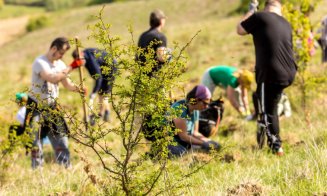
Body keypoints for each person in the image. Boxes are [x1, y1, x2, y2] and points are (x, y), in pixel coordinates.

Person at [237, 0, 297, 155]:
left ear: (266, 6)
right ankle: (263, 141)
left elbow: (240, 30)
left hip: (270, 73)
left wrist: (251, 9)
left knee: (267, 111)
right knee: (268, 105)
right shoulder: (286, 23)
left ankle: (276, 146)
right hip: (289, 71)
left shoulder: (260, 16)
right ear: (279, 7)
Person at [25, 37, 83, 168]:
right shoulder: (40, 62)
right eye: (61, 53)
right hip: (35, 106)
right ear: (53, 48)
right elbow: (52, 78)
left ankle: (66, 168)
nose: (62, 56)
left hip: (52, 107)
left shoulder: (60, 64)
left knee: (61, 137)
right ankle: (37, 171)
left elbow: (67, 85)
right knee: (35, 140)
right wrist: (72, 66)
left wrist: (78, 89)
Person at [168, 85, 221, 157]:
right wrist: (203, 143)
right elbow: (183, 136)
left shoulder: (195, 110)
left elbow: (195, 132)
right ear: (196, 100)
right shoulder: (179, 109)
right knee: (182, 154)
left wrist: (208, 141)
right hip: (170, 141)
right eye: (205, 103)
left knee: (206, 150)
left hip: (183, 142)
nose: (207, 107)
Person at [72, 48, 117, 125]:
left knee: (103, 92)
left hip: (111, 67)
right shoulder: (85, 57)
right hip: (103, 68)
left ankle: (103, 115)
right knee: (101, 93)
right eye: (78, 61)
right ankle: (104, 113)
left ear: (82, 54)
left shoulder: (90, 59)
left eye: (80, 60)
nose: (80, 62)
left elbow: (98, 78)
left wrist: (93, 93)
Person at [137, 9, 171, 77]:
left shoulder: (143, 35)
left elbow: (137, 56)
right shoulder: (160, 36)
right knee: (169, 51)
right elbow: (162, 58)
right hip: (154, 77)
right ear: (161, 21)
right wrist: (169, 54)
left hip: (142, 76)